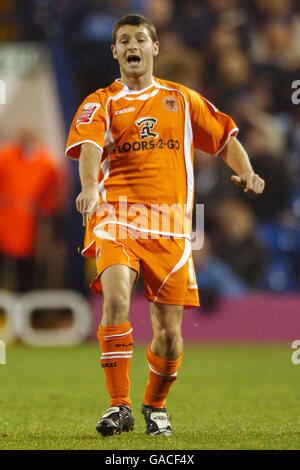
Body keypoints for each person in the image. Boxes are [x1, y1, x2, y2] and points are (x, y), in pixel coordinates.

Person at [65, 13, 265, 437]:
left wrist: (246, 172)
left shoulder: (183, 99)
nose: (132, 46)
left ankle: (155, 407)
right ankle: (118, 406)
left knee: (169, 334)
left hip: (172, 228)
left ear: (155, 48)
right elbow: (87, 148)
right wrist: (88, 188)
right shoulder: (100, 101)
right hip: (117, 216)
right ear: (114, 51)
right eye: (124, 40)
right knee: (116, 299)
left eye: (140, 38)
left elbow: (226, 137)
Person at [0, 125, 63, 292]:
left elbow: (53, 195)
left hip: (32, 231)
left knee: (28, 274)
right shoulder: (6, 157)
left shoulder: (45, 163)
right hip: (6, 227)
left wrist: (45, 213)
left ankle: (29, 312)